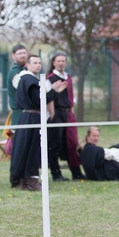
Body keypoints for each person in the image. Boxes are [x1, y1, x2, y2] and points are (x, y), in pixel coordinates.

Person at [9, 54, 58, 191]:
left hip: (28, 117)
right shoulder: (29, 79)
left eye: (39, 63)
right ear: (28, 65)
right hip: (31, 118)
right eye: (35, 62)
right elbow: (40, 100)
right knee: (32, 149)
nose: (38, 65)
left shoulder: (26, 79)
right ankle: (31, 180)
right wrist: (54, 91)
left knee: (25, 148)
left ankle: (22, 180)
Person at [46, 52, 84, 181]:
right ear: (53, 63)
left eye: (63, 61)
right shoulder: (50, 78)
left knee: (72, 143)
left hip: (68, 114)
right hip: (56, 113)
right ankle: (56, 174)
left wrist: (71, 110)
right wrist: (52, 115)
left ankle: (76, 172)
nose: (61, 63)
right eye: (59, 61)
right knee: (55, 144)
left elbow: (70, 96)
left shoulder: (68, 77)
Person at [6, 44, 28, 128]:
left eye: (24, 53)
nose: (23, 55)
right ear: (13, 56)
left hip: (27, 115)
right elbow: (26, 91)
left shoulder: (26, 71)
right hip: (19, 116)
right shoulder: (14, 73)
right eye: (20, 53)